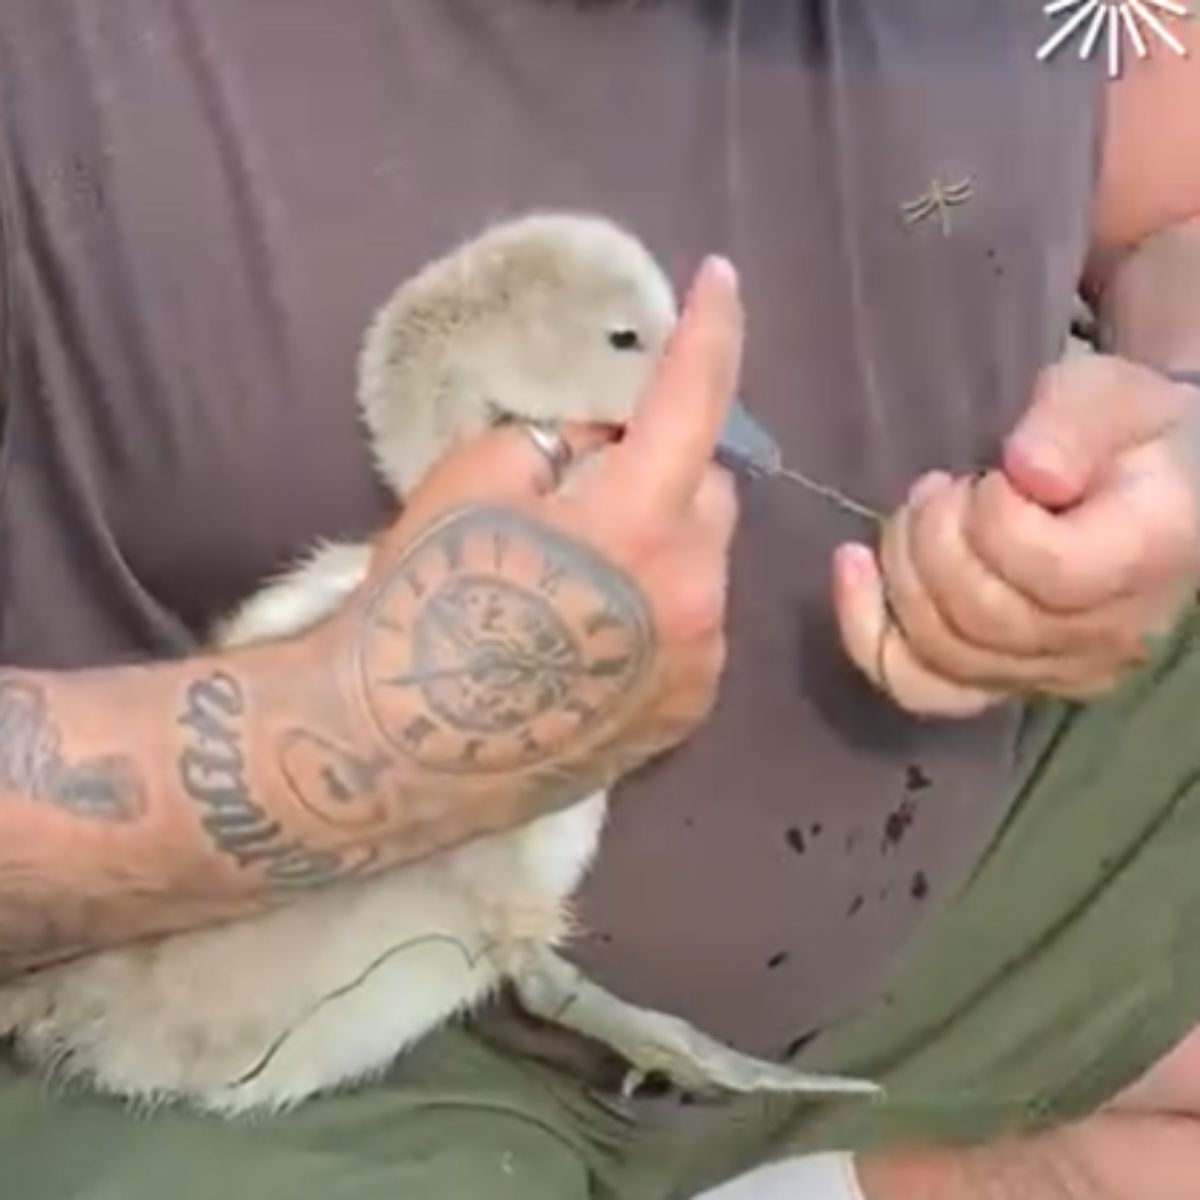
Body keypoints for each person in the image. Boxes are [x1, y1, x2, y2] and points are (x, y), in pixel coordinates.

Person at [0, 1, 1198, 1197]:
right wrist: (349, 746)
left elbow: (1171, 198)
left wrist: (1179, 429)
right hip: (277, 1058)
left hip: (987, 841)